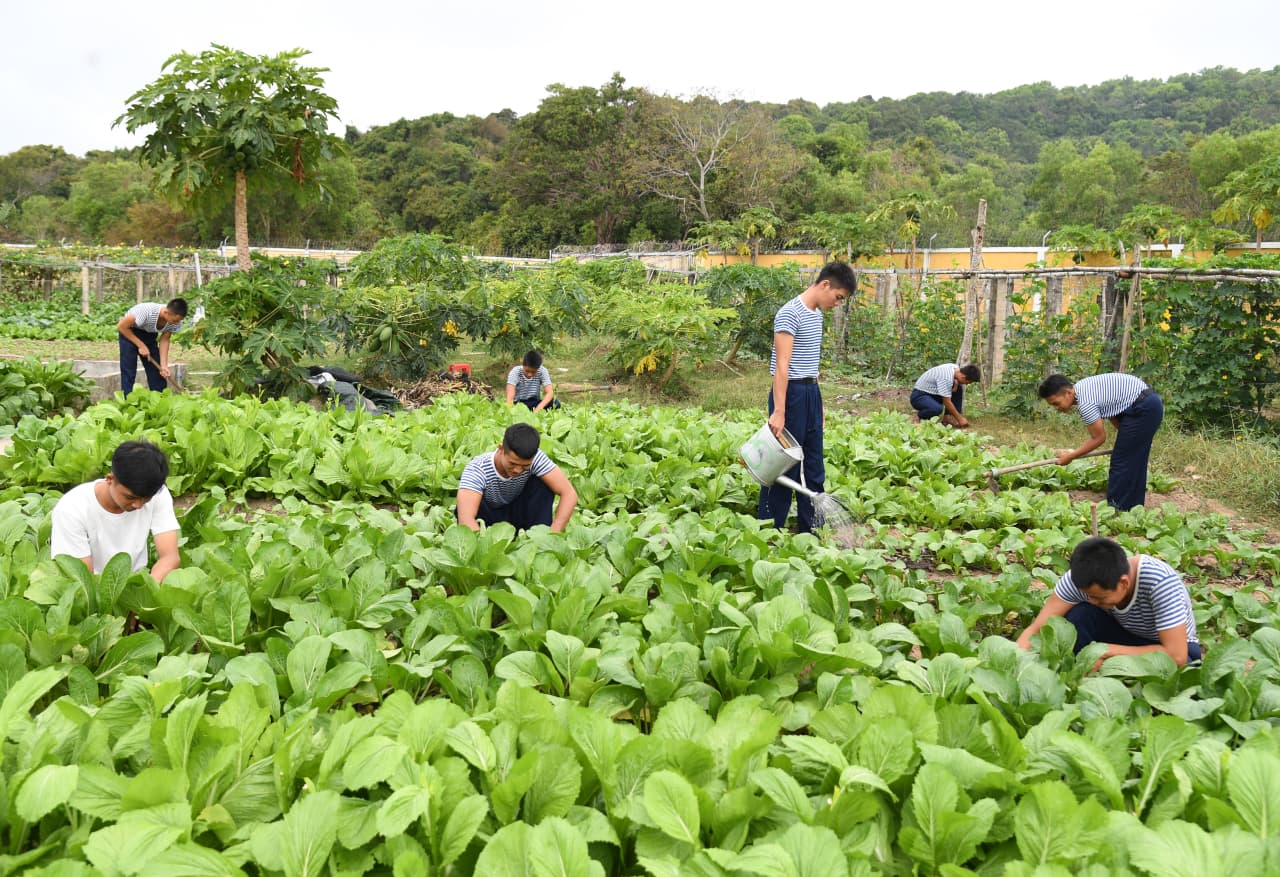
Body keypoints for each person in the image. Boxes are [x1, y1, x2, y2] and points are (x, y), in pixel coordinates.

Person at [759, 261, 856, 534]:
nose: (837, 304)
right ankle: (770, 527)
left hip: (811, 393)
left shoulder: (816, 314)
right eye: (838, 297)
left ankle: (811, 527)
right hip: (791, 395)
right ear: (825, 284)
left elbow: (811, 364)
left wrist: (819, 405)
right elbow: (782, 365)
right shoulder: (790, 313)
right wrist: (779, 411)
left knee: (813, 462)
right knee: (783, 463)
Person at [1016, 536, 1201, 668]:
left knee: (1183, 668)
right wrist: (1015, 661)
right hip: (1124, 636)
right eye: (1089, 595)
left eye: (1100, 597)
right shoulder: (1079, 579)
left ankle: (1097, 668)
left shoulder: (1159, 582)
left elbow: (1176, 655)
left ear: (1124, 583)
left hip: (1174, 648)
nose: (1093, 601)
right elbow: (1035, 629)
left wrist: (1104, 651)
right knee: (1080, 615)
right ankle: (1084, 670)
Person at [50, 440, 181, 583]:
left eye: (146, 499)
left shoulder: (158, 494)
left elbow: (170, 557)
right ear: (110, 479)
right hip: (93, 592)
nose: (138, 505)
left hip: (133, 585)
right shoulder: (71, 509)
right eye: (130, 497)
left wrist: (148, 589)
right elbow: (83, 580)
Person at [1038, 372, 1163, 511]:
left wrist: (1070, 456)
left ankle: (1119, 508)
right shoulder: (1082, 388)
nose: (1056, 408)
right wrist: (1137, 440)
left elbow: (1099, 438)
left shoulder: (1086, 402)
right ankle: (1131, 506)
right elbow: (1113, 411)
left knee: (1121, 461)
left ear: (1068, 392)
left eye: (1056, 403)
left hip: (1143, 408)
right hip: (1144, 404)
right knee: (1131, 457)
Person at [457, 422, 578, 532]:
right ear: (501, 449)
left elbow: (569, 493)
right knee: (465, 505)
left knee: (544, 483)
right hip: (487, 520)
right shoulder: (477, 469)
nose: (517, 470)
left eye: (525, 465)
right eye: (512, 463)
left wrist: (552, 534)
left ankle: (538, 535)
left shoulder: (536, 459)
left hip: (517, 514)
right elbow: (466, 519)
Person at [117, 298, 188, 394]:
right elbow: (121, 326)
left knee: (156, 371)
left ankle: (159, 400)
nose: (176, 323)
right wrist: (141, 345)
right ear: (166, 312)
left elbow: (164, 340)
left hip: (149, 336)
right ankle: (126, 400)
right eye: (174, 320)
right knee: (129, 370)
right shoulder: (145, 311)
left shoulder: (175, 322)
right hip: (129, 333)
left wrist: (164, 366)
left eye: (178, 321)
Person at [911, 363, 981, 427]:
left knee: (958, 388)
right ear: (963, 376)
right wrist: (960, 418)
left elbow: (954, 381)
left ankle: (947, 418)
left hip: (933, 393)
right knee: (936, 409)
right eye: (967, 382)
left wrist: (956, 383)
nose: (966, 384)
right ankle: (919, 417)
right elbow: (947, 402)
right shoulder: (946, 378)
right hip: (919, 395)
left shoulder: (955, 368)